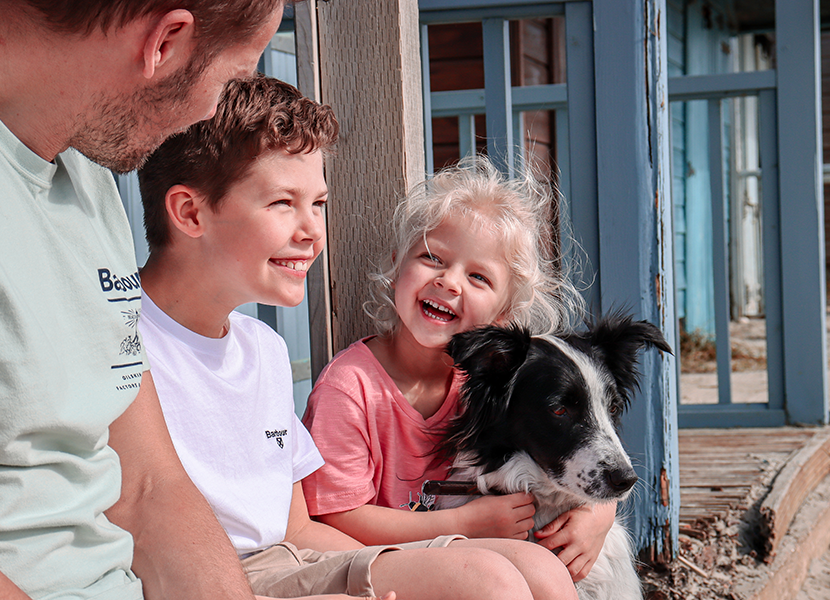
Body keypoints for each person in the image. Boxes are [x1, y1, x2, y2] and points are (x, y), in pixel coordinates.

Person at [0, 1, 294, 599]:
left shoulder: (83, 166)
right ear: (166, 41)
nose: (211, 113)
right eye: (232, 79)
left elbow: (148, 488)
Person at [137, 74, 578, 600]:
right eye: (283, 203)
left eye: (318, 204)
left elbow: (298, 529)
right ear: (190, 212)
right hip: (211, 580)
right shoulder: (123, 341)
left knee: (535, 571)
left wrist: (406, 566)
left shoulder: (263, 348)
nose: (312, 231)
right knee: (487, 583)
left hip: (292, 556)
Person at [301, 155, 619, 583]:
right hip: (386, 569)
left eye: (478, 277)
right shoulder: (350, 389)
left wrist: (598, 516)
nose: (449, 282)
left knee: (547, 578)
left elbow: (578, 446)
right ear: (398, 265)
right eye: (433, 258)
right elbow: (336, 517)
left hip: (471, 560)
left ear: (503, 315)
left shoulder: (494, 384)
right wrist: (461, 525)